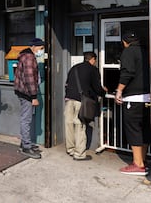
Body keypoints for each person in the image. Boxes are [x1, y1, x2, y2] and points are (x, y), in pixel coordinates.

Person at [114, 31, 150, 176]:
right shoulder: (145, 52)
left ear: (124, 42)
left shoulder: (128, 52)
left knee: (133, 130)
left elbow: (127, 72)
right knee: (145, 130)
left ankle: (138, 164)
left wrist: (119, 91)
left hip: (133, 98)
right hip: (147, 98)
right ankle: (143, 160)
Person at [64, 52, 107, 161]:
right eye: (95, 60)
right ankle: (79, 154)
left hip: (69, 99)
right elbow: (97, 88)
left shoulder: (74, 68)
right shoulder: (93, 70)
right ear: (93, 59)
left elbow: (67, 83)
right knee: (80, 125)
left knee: (68, 124)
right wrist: (104, 92)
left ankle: (70, 149)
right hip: (81, 101)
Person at [14, 38, 45, 159]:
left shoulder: (25, 56)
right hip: (27, 93)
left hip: (23, 91)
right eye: (41, 48)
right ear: (34, 46)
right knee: (26, 119)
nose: (41, 51)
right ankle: (26, 147)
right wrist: (34, 96)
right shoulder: (29, 57)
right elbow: (29, 77)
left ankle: (25, 142)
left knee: (26, 118)